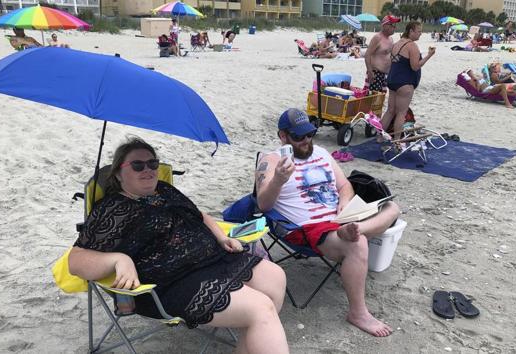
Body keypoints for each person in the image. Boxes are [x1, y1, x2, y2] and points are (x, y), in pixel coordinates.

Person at [69, 137, 289, 354]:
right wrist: (119, 259)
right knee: (261, 309)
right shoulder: (113, 208)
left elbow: (198, 215)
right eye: (138, 165)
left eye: (152, 163)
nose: (148, 170)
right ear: (118, 173)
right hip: (174, 282)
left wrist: (221, 237)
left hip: (215, 258)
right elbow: (76, 260)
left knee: (275, 276)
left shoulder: (164, 189)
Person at [255, 109, 400, 337]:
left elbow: (344, 186)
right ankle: (358, 313)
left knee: (392, 208)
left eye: (309, 135)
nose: (306, 141)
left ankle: (357, 229)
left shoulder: (321, 152)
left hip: (341, 218)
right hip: (307, 228)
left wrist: (344, 203)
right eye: (298, 137)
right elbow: (263, 204)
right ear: (282, 136)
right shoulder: (271, 161)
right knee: (357, 244)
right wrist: (278, 180)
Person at [380, 22, 435, 140]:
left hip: (392, 80)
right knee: (401, 113)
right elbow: (415, 66)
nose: (421, 34)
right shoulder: (412, 46)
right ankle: (397, 141)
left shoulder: (397, 43)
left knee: (390, 111)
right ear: (411, 31)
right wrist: (429, 56)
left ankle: (379, 138)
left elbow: (394, 62)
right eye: (419, 31)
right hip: (404, 82)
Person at [364, 15, 401, 93]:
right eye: (392, 25)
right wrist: (370, 71)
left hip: (384, 75)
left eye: (395, 26)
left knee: (381, 99)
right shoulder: (377, 38)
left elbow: (390, 55)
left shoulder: (391, 39)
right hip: (375, 73)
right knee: (373, 99)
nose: (394, 28)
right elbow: (367, 55)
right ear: (385, 25)